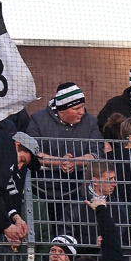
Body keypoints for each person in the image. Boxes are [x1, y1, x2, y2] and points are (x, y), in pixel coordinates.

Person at [27, 82, 103, 228]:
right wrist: (60, 162)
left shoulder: (91, 122)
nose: (82, 111)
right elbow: (32, 151)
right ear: (62, 110)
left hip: (77, 191)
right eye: (76, 108)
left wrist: (74, 161)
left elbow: (97, 153)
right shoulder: (38, 120)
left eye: (82, 106)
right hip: (41, 190)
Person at [63, 161, 118, 246]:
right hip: (84, 257)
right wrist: (93, 242)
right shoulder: (73, 208)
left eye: (114, 179)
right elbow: (66, 238)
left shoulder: (121, 206)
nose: (114, 184)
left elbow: (126, 235)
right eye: (109, 180)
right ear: (95, 181)